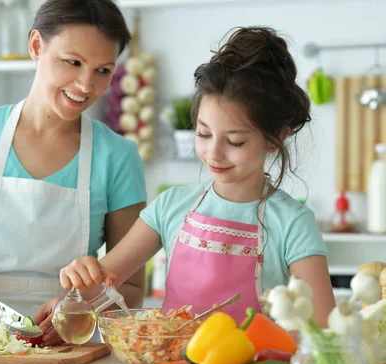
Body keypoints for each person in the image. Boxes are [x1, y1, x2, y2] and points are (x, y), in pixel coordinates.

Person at [59, 26, 336, 328]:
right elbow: (100, 285)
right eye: (204, 134)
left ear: (274, 139)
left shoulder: (294, 224)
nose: (213, 153)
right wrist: (79, 283)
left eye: (234, 142)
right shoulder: (170, 206)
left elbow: (321, 332)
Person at [0, 0, 147, 345]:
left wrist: (83, 308)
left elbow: (131, 287)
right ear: (37, 46)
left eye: (102, 70)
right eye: (73, 62)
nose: (85, 85)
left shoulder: (118, 156)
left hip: (66, 342)